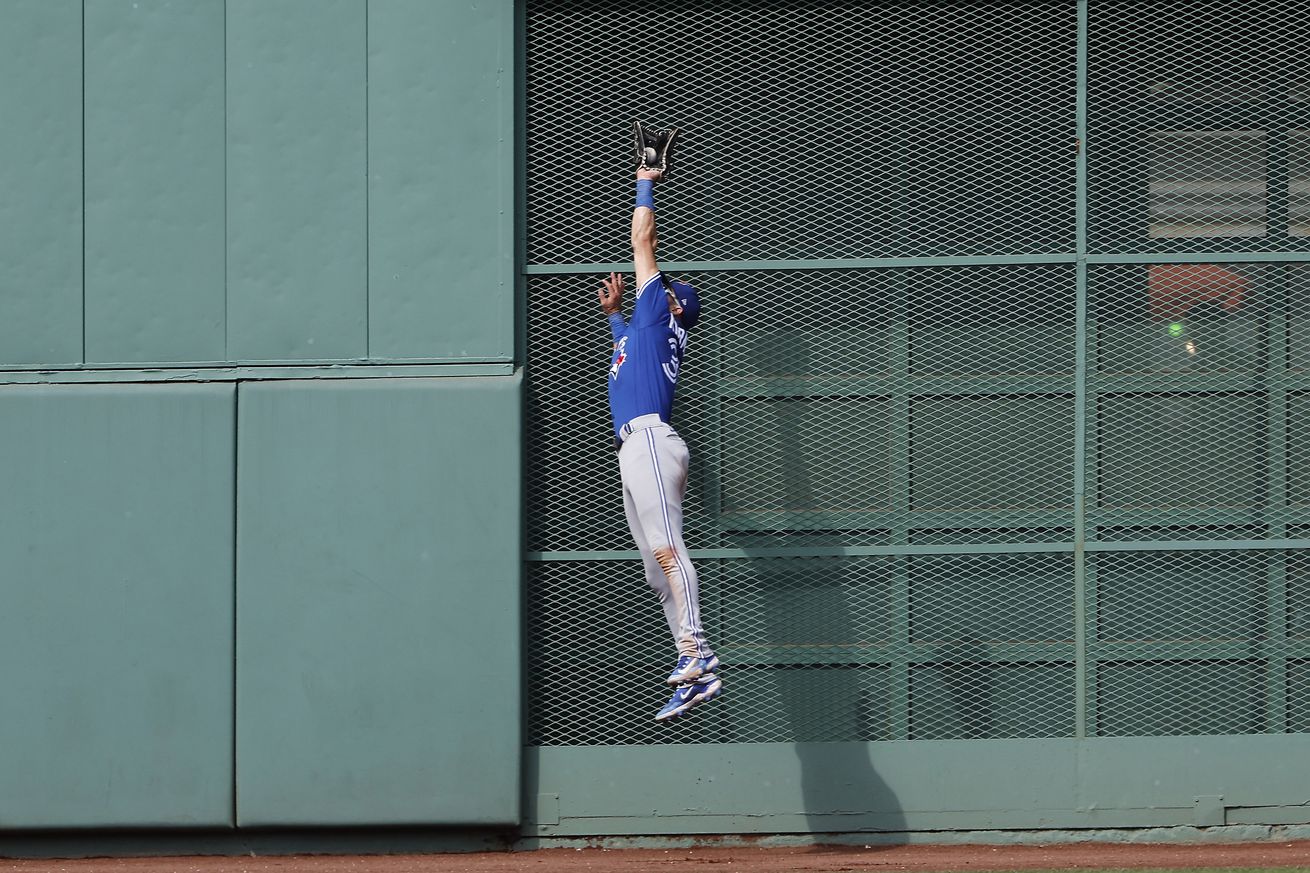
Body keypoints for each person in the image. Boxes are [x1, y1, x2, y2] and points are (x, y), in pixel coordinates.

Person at [597, 157, 721, 722]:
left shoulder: (659, 311)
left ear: (672, 306)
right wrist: (614, 315)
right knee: (655, 569)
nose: (658, 284)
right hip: (637, 446)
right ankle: (689, 663)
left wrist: (646, 178)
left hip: (649, 441)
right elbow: (627, 350)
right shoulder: (645, 325)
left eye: (668, 290)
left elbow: (641, 236)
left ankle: (698, 655)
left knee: (669, 551)